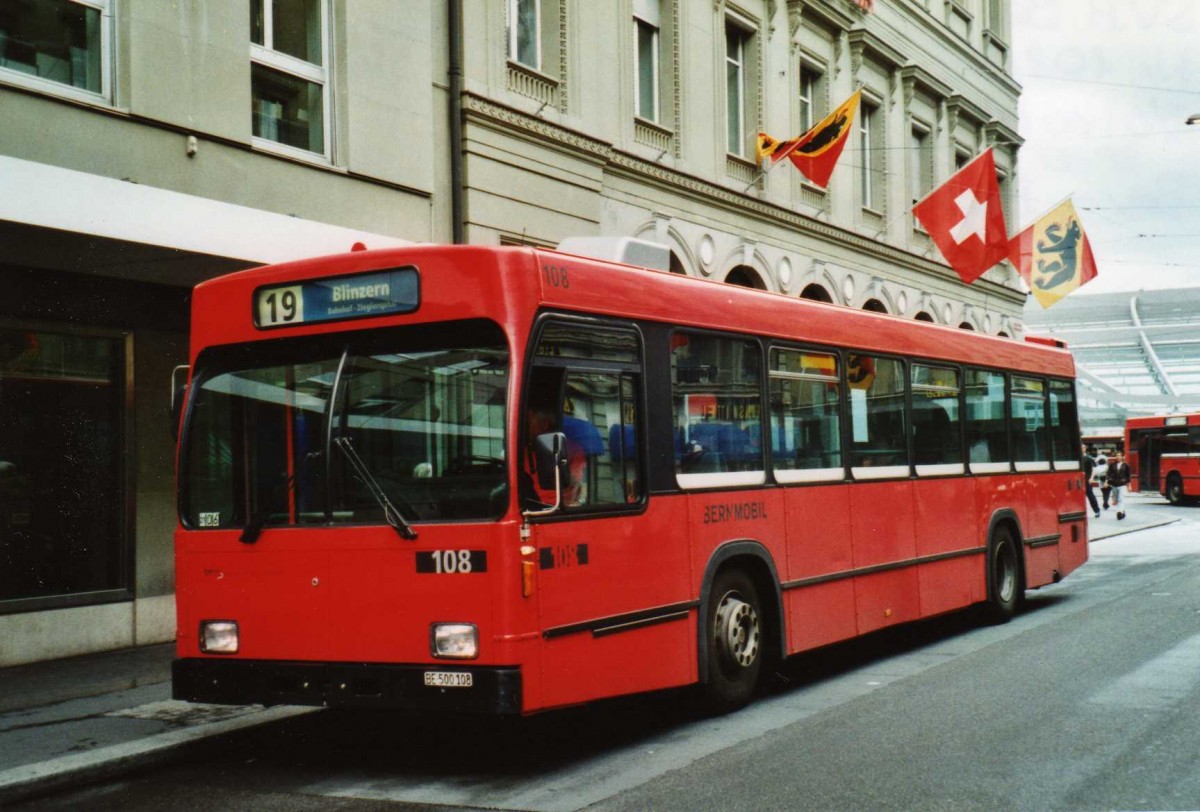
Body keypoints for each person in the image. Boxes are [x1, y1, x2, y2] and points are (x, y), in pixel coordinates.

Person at [1107, 450, 1131, 521]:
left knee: (1121, 498)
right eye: (1117, 455)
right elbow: (1109, 474)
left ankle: (1119, 512)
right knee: (1116, 500)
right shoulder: (1112, 465)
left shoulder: (1126, 465)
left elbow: (1128, 476)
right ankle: (1122, 511)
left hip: (1122, 484)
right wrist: (1107, 481)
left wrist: (1129, 485)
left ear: (1122, 456)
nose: (1118, 457)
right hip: (1114, 484)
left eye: (1119, 455)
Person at [1083, 444, 1101, 518]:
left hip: (1087, 480)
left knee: (1090, 496)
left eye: (1083, 447)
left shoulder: (1089, 458)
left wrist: (1091, 478)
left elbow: (1094, 468)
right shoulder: (1078, 458)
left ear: (1085, 449)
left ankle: (1097, 510)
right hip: (1079, 480)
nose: (1081, 448)